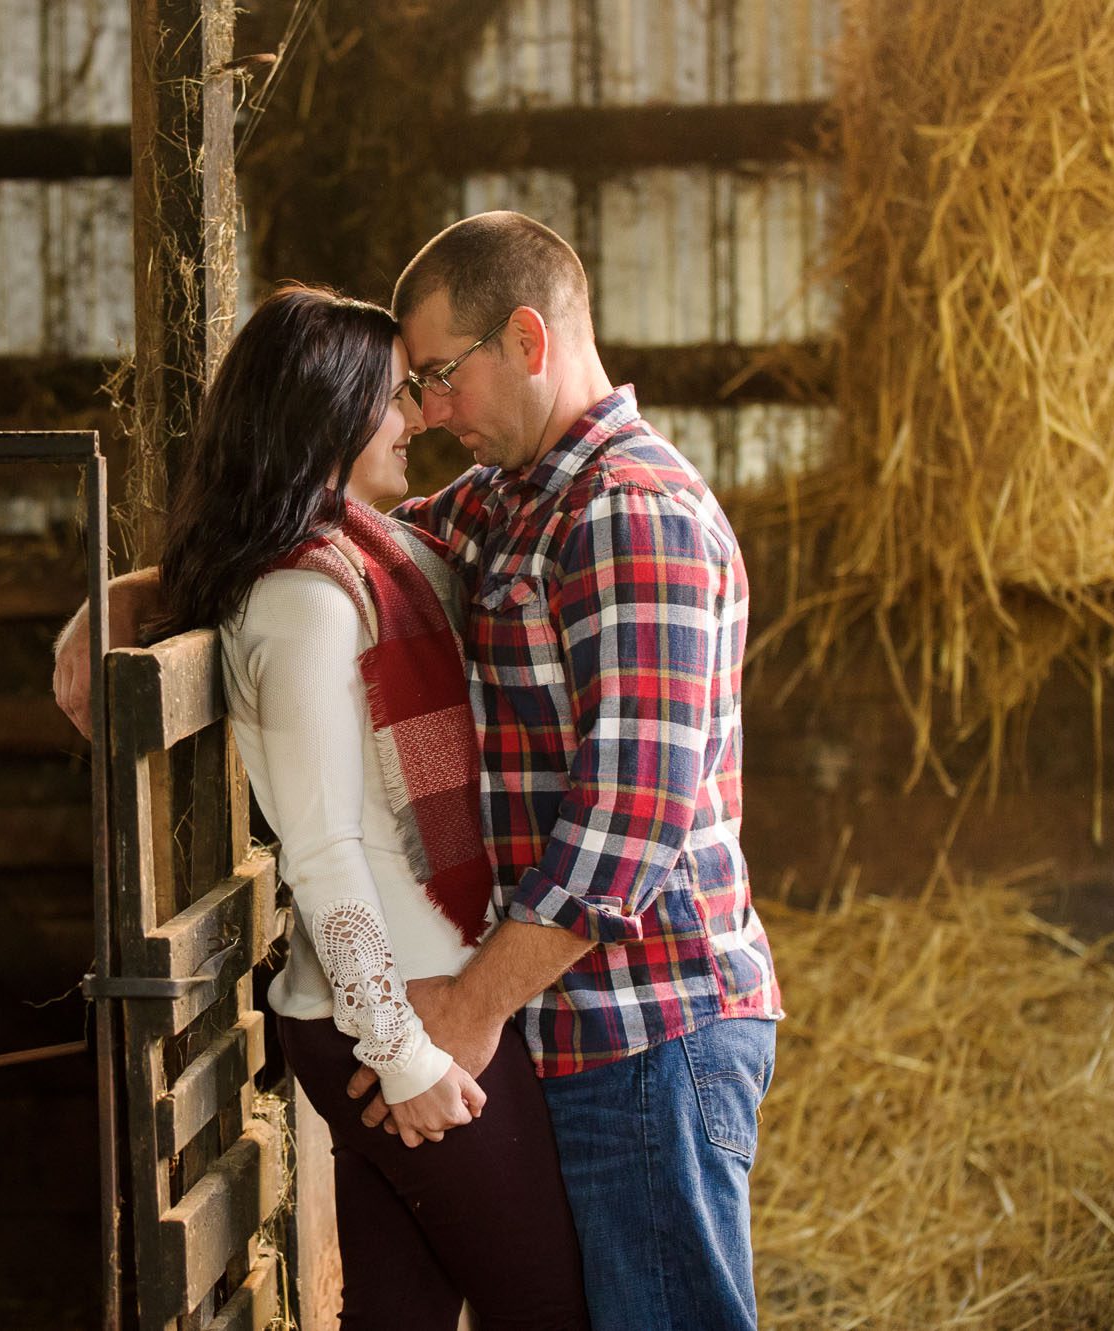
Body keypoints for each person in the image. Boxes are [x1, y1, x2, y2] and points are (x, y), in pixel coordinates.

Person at [55, 213, 783, 1331]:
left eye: (439, 376)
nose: (427, 413)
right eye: (410, 386)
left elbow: (625, 830)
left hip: (647, 1023)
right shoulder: (508, 502)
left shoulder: (628, 514)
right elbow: (317, 534)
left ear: (528, 340)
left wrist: (459, 1011)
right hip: (558, 1008)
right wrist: (140, 590)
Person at [152, 283, 590, 1329]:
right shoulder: (300, 600)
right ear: (333, 411)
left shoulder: (372, 557)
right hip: (392, 1016)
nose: (415, 418)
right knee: (550, 1308)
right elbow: (322, 851)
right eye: (394, 397)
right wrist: (401, 1053)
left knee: (395, 1311)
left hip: (402, 998)